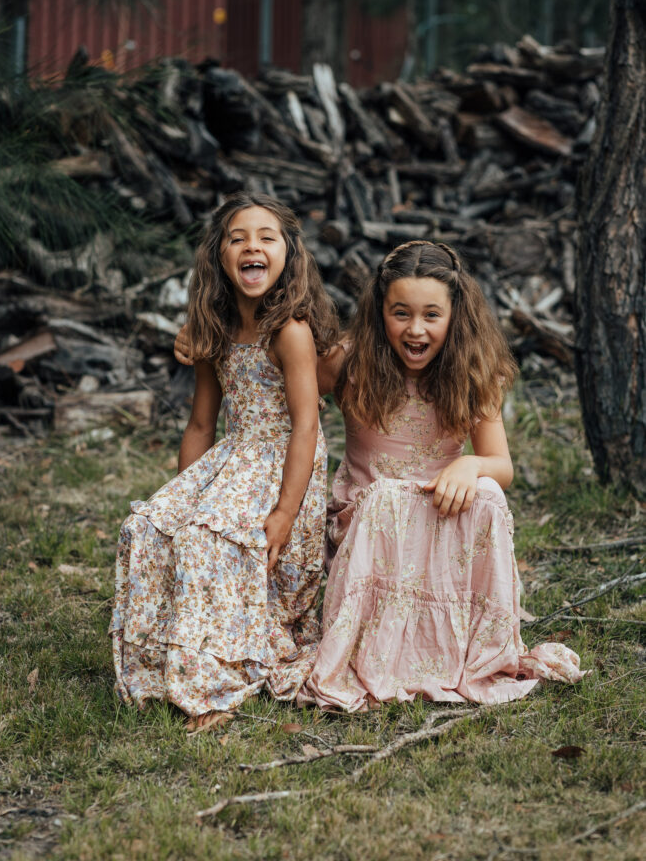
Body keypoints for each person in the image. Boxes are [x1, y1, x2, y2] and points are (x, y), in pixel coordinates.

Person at [299, 240, 585, 711]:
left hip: (440, 520)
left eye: (432, 315)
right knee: (386, 498)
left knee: (489, 495)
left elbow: (501, 466)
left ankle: (465, 649)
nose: (415, 329)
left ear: (455, 315)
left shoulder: (473, 370)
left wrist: (470, 464)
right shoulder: (350, 361)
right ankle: (380, 649)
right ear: (378, 312)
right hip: (370, 527)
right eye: (400, 313)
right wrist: (206, 338)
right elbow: (276, 371)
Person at [110, 192, 338, 731]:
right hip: (234, 456)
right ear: (219, 256)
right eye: (238, 238)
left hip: (285, 463)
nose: (251, 247)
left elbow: (307, 426)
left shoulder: (290, 331)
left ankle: (213, 684)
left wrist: (284, 512)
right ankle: (155, 670)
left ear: (289, 255)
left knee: (208, 538)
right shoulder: (214, 330)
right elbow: (200, 425)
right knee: (149, 526)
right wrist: (183, 493)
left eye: (266, 238)